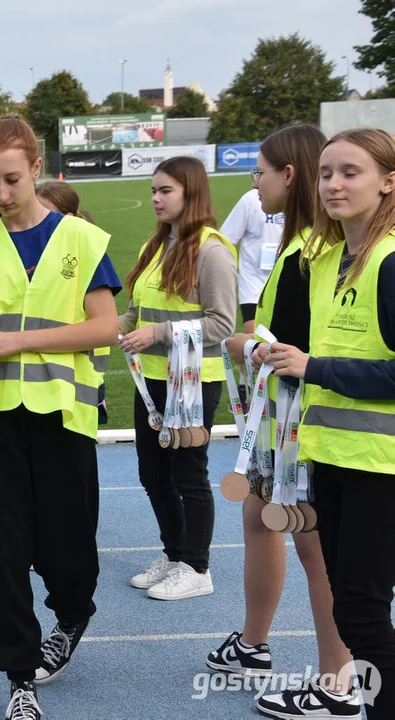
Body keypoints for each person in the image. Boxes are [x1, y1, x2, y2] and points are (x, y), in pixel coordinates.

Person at [0, 115, 121, 720]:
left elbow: (105, 328)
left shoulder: (81, 239)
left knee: (69, 552)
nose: (1, 193)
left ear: (38, 168)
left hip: (65, 417)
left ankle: (72, 615)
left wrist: (14, 344)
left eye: (12, 178)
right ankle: (19, 676)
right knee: (5, 550)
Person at [204, 124, 361, 718]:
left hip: (309, 427)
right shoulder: (299, 246)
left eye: (261, 171)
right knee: (259, 519)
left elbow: (296, 346)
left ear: (286, 175)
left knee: (316, 548)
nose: (255, 183)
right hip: (283, 426)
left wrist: (251, 346)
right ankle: (254, 643)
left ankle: (336, 681)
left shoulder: (318, 252)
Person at [268, 127, 395, 718]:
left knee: (364, 615)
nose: (334, 184)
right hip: (335, 457)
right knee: (352, 609)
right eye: (326, 173)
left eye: (351, 172)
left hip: (381, 467)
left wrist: (314, 366)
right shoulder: (329, 260)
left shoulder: (390, 262)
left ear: (387, 183)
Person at [119, 156, 237, 601]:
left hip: (192, 383)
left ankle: (198, 567)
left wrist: (159, 333)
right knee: (153, 473)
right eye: (153, 190)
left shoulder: (211, 250)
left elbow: (223, 324)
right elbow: (138, 310)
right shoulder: (157, 245)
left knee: (188, 474)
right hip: (150, 379)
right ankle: (174, 554)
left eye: (165, 190)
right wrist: (119, 326)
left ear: (191, 193)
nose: (155, 198)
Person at [35, 180, 109, 425]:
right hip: (44, 374)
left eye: (46, 213)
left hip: (81, 374)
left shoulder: (85, 253)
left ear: (67, 218)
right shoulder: (36, 252)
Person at [220, 187, 285, 333]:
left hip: (286, 282)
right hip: (253, 284)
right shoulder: (250, 200)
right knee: (255, 346)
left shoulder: (300, 199)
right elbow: (225, 240)